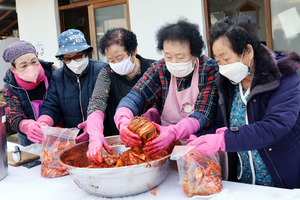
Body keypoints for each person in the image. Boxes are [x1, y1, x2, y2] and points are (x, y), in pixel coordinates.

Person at [187, 15, 300, 189]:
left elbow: (275, 125)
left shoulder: (283, 76)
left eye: (226, 59)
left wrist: (222, 140)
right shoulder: (227, 82)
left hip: (281, 178)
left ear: (248, 51)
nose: (223, 66)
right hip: (244, 180)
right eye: (218, 61)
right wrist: (201, 139)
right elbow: (220, 122)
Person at [114, 19, 219, 157]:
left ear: (194, 54)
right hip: (164, 145)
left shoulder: (208, 68)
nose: (174, 62)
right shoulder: (160, 68)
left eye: (180, 57)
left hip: (200, 146)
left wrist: (173, 132)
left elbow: (204, 114)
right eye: (168, 56)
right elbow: (136, 95)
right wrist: (123, 120)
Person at [75, 28, 156, 164]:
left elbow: (160, 103)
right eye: (111, 60)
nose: (116, 63)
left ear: (134, 51)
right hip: (118, 140)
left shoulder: (153, 69)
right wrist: (95, 131)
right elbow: (97, 102)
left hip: (151, 141)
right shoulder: (107, 73)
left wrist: (146, 121)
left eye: (120, 58)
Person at [25, 29, 106, 138]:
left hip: (103, 134)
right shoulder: (58, 76)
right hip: (74, 137)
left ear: (86, 53)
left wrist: (95, 121)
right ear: (62, 58)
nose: (74, 62)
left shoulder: (102, 70)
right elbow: (51, 105)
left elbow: (111, 102)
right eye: (68, 58)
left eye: (78, 56)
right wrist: (44, 121)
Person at [2, 40, 56, 146]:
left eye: (34, 62)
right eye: (23, 66)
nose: (31, 68)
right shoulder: (9, 89)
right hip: (31, 142)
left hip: (59, 134)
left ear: (37, 56)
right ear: (13, 69)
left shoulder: (54, 74)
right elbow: (14, 116)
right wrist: (26, 126)